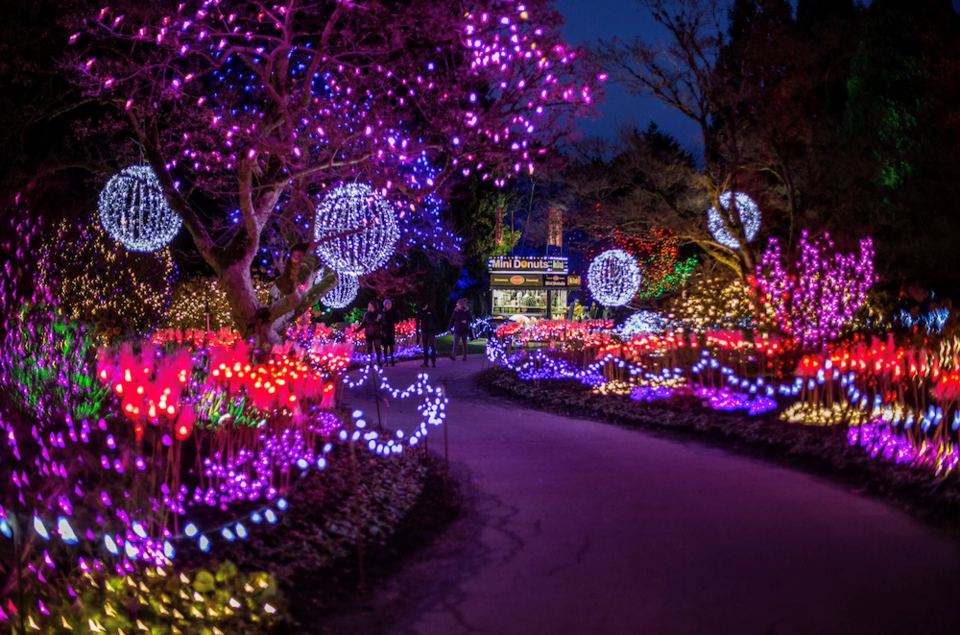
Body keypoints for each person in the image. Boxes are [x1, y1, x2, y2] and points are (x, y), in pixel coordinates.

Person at [360, 301, 385, 367]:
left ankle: (379, 361)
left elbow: (384, 322)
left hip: (377, 333)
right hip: (369, 333)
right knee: (369, 348)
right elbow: (363, 323)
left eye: (371, 306)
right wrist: (358, 329)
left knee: (377, 348)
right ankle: (370, 362)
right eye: (369, 306)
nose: (370, 308)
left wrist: (379, 322)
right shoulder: (367, 314)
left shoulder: (380, 313)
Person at [416, 300, 440, 368]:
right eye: (422, 308)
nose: (423, 308)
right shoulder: (420, 311)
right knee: (425, 347)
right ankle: (425, 362)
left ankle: (433, 362)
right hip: (424, 331)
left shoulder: (432, 310)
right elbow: (417, 320)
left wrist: (437, 330)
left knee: (433, 346)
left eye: (424, 307)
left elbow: (436, 320)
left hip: (431, 331)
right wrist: (417, 329)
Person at [382, 299, 401, 366]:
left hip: (390, 330)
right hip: (384, 331)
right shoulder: (383, 312)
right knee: (385, 346)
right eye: (387, 304)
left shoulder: (393, 312)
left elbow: (396, 321)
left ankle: (392, 360)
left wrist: (398, 315)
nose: (388, 305)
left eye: (389, 304)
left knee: (391, 346)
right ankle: (386, 360)